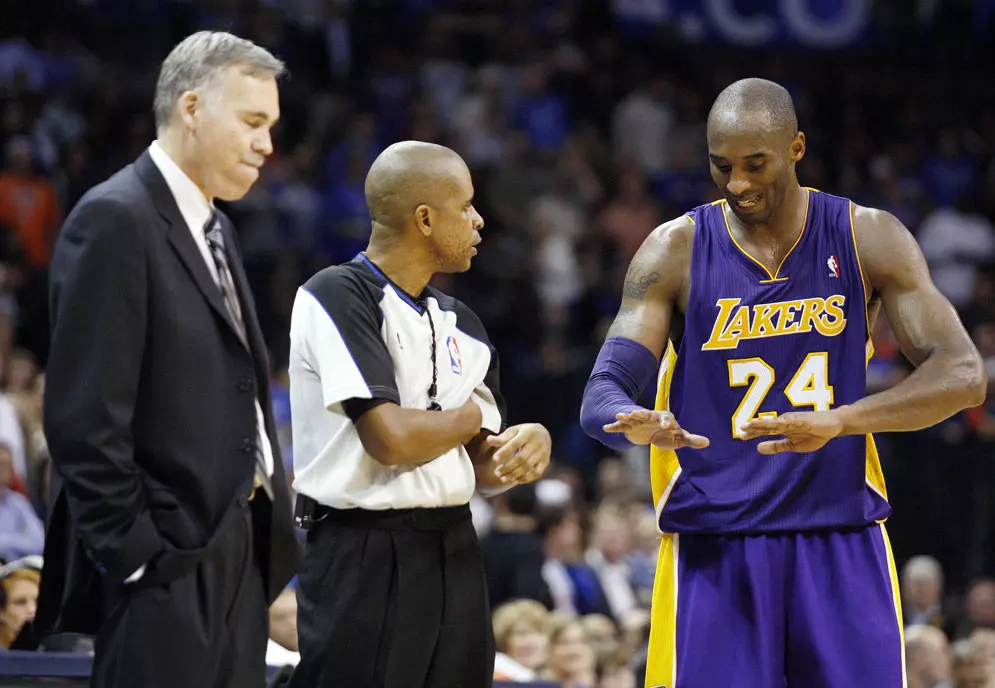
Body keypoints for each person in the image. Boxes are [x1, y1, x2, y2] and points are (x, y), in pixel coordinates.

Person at [579, 78, 986, 688]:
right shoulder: (674, 249)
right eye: (722, 167)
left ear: (796, 148)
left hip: (840, 532)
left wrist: (843, 420)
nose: (737, 184)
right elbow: (602, 391)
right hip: (717, 542)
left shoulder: (866, 235)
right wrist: (631, 422)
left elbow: (963, 375)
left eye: (755, 164)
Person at [38, 31, 300, 687]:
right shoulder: (115, 218)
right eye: (253, 122)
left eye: (269, 126)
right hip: (167, 563)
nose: (267, 144)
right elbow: (84, 418)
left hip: (236, 554)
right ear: (191, 108)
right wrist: (139, 557)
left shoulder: (217, 225)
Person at [287, 140, 552, 688]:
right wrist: (470, 419)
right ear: (425, 219)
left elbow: (483, 466)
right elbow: (389, 438)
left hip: (455, 543)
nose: (479, 220)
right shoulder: (336, 294)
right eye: (467, 206)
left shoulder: (463, 321)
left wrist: (526, 446)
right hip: (361, 549)